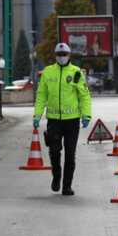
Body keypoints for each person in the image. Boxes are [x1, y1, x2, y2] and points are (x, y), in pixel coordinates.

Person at [32, 42, 92, 196]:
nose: (62, 57)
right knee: (55, 151)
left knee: (70, 155)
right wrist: (37, 115)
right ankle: (56, 177)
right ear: (55, 56)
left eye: (64, 54)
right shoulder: (47, 72)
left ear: (69, 56)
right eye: (59, 54)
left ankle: (67, 186)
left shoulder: (77, 73)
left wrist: (86, 115)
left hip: (72, 121)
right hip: (54, 120)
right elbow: (41, 96)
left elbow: (84, 96)